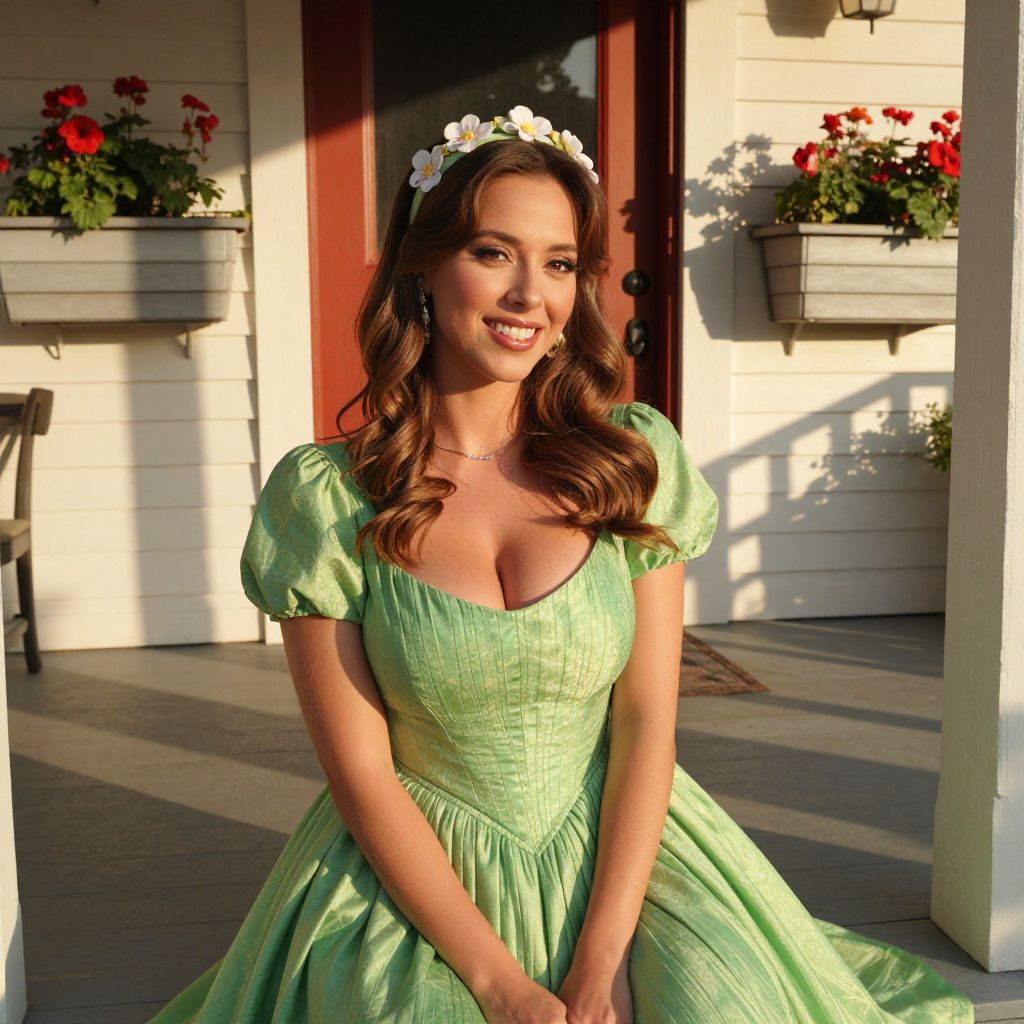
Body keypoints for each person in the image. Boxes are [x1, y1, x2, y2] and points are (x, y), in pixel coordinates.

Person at [147, 105, 974, 1024]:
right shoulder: (328, 498)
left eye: (560, 263)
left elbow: (649, 719)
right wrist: (500, 985)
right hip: (418, 879)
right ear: (422, 265)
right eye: (494, 253)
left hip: (626, 858)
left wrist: (605, 957)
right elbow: (362, 777)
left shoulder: (630, 460)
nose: (529, 296)